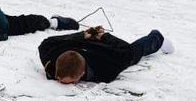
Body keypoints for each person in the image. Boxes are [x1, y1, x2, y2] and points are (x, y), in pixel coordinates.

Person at [38, 26, 173, 84]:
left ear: (81, 73)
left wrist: (104, 37)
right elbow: (46, 43)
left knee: (133, 54)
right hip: (79, 42)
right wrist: (81, 35)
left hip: (103, 49)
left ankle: (158, 38)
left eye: (72, 82)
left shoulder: (105, 70)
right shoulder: (51, 59)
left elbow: (126, 50)